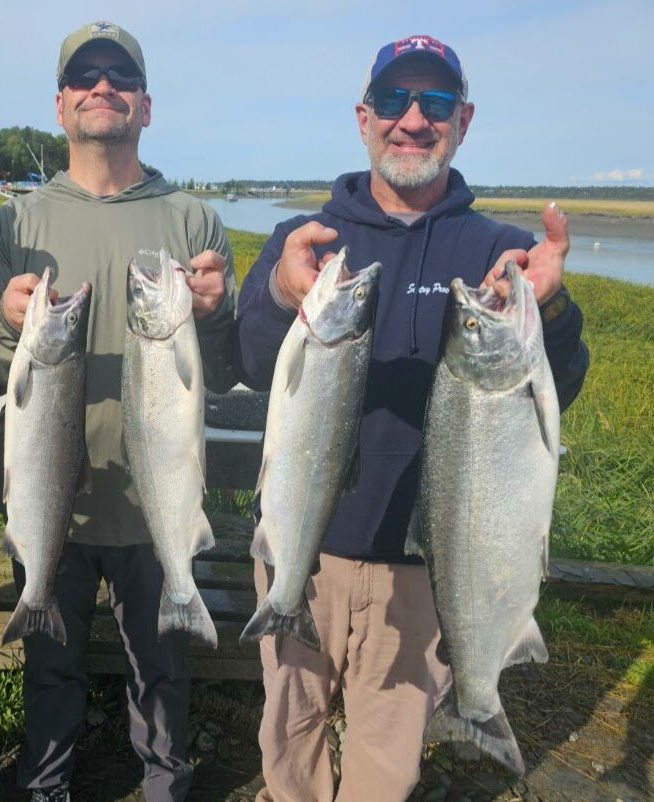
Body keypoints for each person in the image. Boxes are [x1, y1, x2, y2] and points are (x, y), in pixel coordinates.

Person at [236, 35, 589, 802]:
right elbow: (256, 362)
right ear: (364, 117)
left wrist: (550, 309)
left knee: (385, 770)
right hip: (304, 550)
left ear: (463, 120)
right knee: (286, 747)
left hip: (429, 571)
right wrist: (277, 299)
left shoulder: (502, 252)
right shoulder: (306, 242)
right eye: (395, 100)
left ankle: (473, 713)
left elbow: (558, 390)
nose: (413, 119)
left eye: (434, 103)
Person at [0, 20, 238, 802]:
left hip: (160, 506)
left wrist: (217, 315)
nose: (102, 86)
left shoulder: (194, 220)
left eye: (119, 75)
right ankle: (43, 788)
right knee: (49, 673)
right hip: (48, 502)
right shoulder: (14, 223)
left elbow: (220, 374)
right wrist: (5, 328)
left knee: (163, 679)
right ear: (60, 105)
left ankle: (166, 787)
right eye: (85, 76)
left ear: (146, 106)